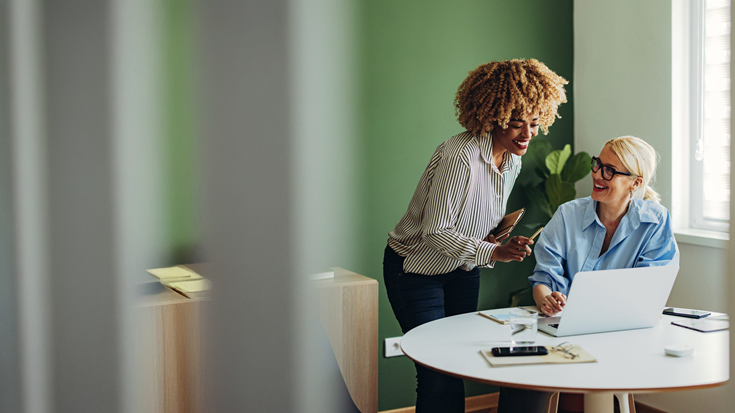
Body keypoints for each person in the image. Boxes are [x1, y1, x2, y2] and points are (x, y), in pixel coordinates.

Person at [383, 59, 568, 413]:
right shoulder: (460, 156)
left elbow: (476, 221)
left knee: (455, 363)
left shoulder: (511, 160)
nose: (527, 134)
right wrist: (494, 254)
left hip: (463, 269)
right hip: (415, 271)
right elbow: (435, 230)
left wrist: (500, 243)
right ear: (492, 116)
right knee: (436, 371)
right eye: (516, 124)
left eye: (534, 123)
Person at [529, 136, 679, 317]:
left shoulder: (655, 222)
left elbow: (649, 290)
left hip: (625, 324)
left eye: (609, 171)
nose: (597, 174)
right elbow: (543, 278)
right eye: (597, 164)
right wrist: (546, 300)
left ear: (636, 183)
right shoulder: (567, 215)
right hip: (565, 321)